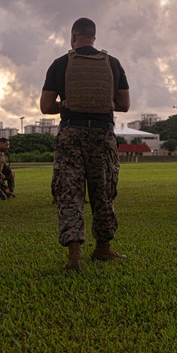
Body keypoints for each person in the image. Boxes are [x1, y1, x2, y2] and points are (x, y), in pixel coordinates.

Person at [41, 17, 130, 270]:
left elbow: (46, 106)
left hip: (71, 135)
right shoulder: (113, 64)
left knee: (70, 194)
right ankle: (103, 249)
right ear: (94, 37)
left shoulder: (60, 64)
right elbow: (124, 104)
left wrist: (68, 104)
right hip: (102, 135)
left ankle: (74, 255)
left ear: (73, 37)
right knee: (103, 193)